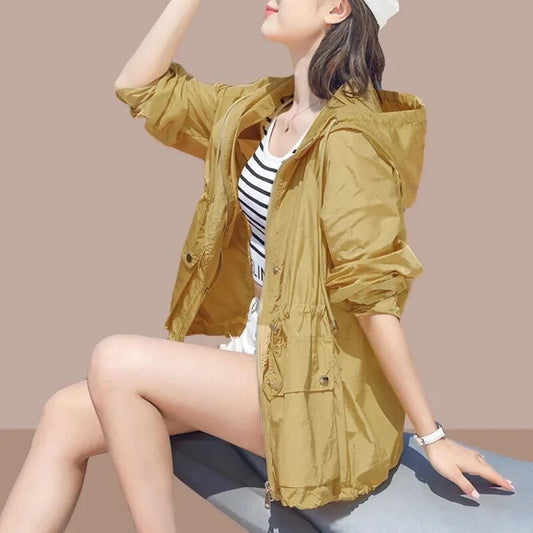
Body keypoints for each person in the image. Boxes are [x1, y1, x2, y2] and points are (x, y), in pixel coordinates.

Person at [0, 0, 515, 530]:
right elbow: (141, 88)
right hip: (259, 360)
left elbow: (373, 296)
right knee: (64, 415)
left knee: (115, 359)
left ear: (336, 8)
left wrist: (432, 435)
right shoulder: (263, 109)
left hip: (319, 392)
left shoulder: (351, 140)